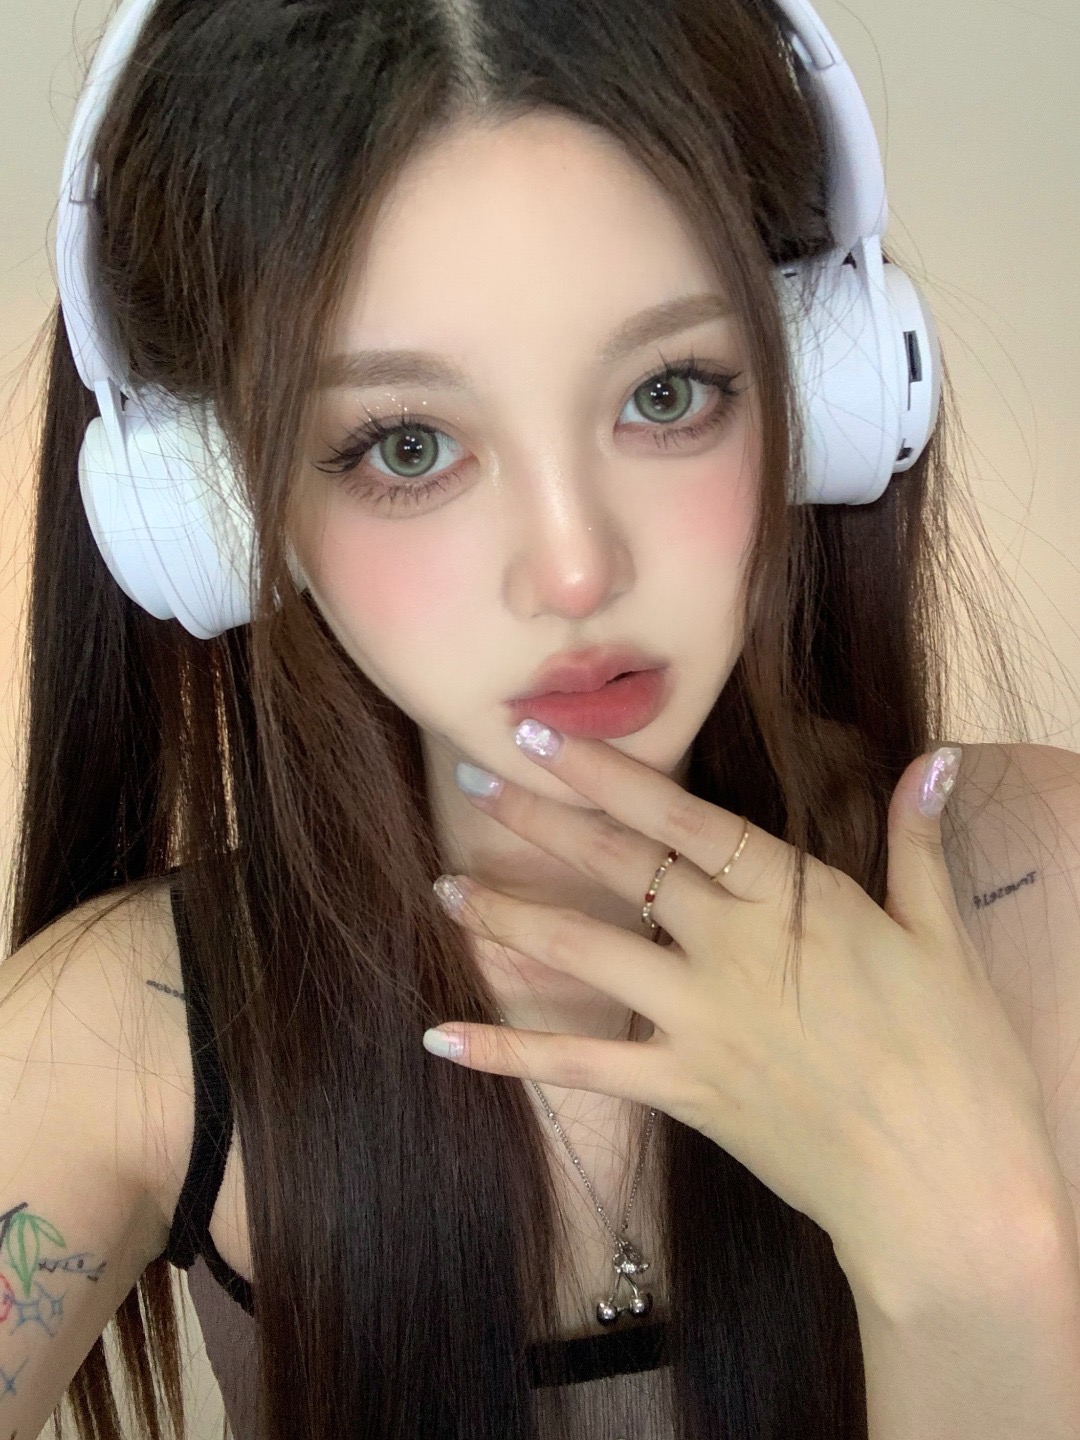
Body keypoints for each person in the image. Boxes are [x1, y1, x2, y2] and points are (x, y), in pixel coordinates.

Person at [3, 0, 1080, 1437]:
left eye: (667, 393)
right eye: (408, 446)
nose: (575, 570)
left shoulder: (1049, 897)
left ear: (822, 391)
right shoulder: (128, 1039)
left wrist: (973, 1269)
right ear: (215, 517)